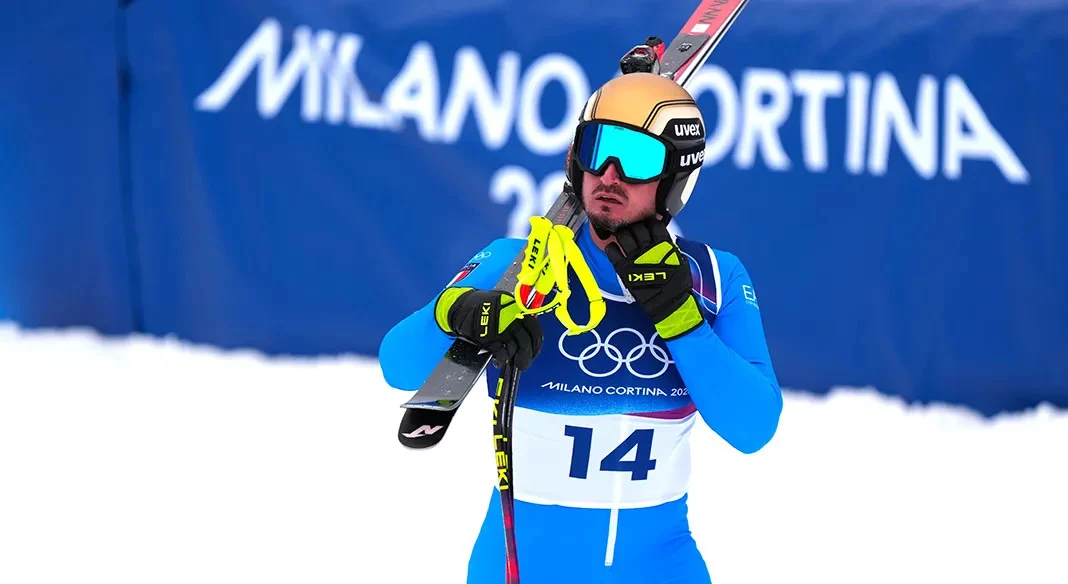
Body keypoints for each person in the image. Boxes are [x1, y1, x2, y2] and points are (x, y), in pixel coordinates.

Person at [378, 72, 783, 584]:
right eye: (598, 149)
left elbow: (754, 428)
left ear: (675, 180)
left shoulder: (714, 279)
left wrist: (682, 322)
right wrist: (455, 313)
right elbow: (397, 364)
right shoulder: (518, 267)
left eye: (637, 159)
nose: (609, 175)